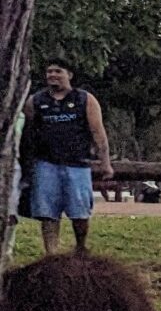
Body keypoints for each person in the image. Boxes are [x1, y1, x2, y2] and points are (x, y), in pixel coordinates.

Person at [21, 59, 112, 255]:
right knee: (47, 213)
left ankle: (80, 247)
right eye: (49, 72)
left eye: (58, 71)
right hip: (45, 164)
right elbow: (27, 134)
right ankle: (51, 253)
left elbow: (98, 132)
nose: (52, 75)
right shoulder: (35, 101)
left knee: (80, 212)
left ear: (69, 75)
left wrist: (106, 163)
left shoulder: (85, 100)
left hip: (77, 164)